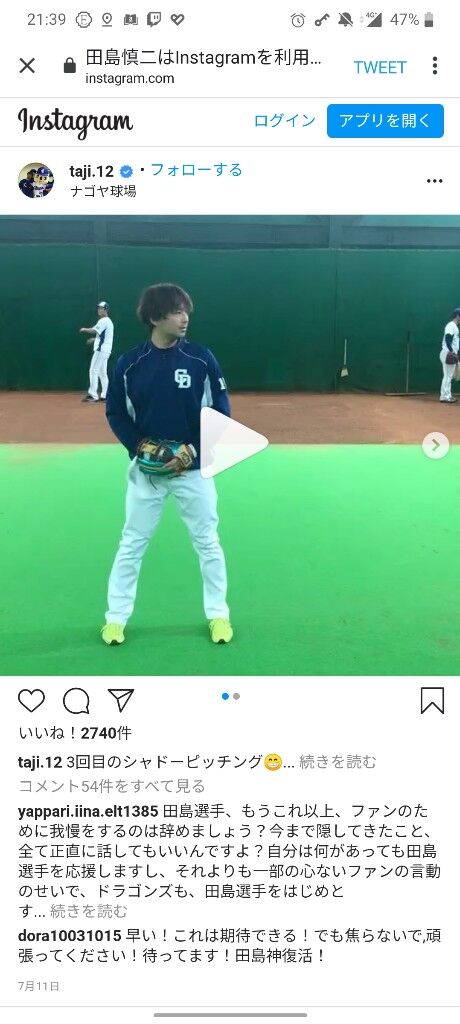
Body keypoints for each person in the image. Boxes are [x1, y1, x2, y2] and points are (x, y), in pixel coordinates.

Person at [101, 282, 233, 646]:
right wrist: (139, 446)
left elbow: (221, 411)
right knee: (132, 543)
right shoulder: (129, 364)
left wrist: (194, 449)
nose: (184, 317)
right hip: (148, 474)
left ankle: (218, 615)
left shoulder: (201, 359)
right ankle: (115, 619)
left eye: (185, 310)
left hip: (194, 471)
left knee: (208, 542)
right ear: (155, 318)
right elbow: (115, 413)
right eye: (176, 311)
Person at [79, 301, 114, 402]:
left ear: (106, 310)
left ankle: (93, 395)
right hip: (106, 351)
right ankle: (105, 395)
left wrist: (84, 329)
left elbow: (94, 330)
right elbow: (104, 336)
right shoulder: (109, 322)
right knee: (102, 373)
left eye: (101, 308)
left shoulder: (104, 321)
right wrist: (94, 339)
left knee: (93, 370)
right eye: (98, 308)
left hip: (101, 350)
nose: (99, 310)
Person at [439, 307, 460, 403]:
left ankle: (447, 395)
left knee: (449, 376)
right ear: (457, 316)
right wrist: (451, 351)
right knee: (447, 376)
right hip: (448, 353)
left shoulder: (454, 326)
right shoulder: (451, 325)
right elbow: (448, 338)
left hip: (449, 353)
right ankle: (445, 396)